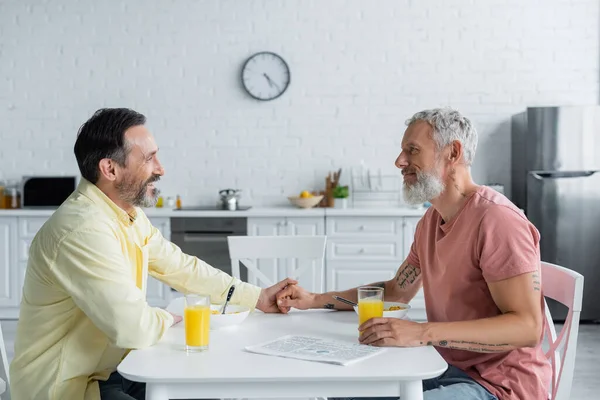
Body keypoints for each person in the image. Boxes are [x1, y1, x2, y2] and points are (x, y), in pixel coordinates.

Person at [9, 108, 296, 400]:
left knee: (210, 389)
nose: (160, 168)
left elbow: (181, 267)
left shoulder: (125, 213)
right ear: (110, 169)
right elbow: (133, 327)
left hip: (114, 369)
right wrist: (169, 318)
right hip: (67, 387)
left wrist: (256, 297)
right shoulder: (81, 229)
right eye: (148, 159)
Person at [277, 108, 551, 400]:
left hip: (499, 387)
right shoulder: (431, 221)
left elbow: (527, 328)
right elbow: (396, 292)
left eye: (412, 150)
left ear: (453, 153)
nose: (399, 161)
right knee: (337, 391)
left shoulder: (498, 220)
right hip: (443, 368)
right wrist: (313, 300)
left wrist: (421, 332)